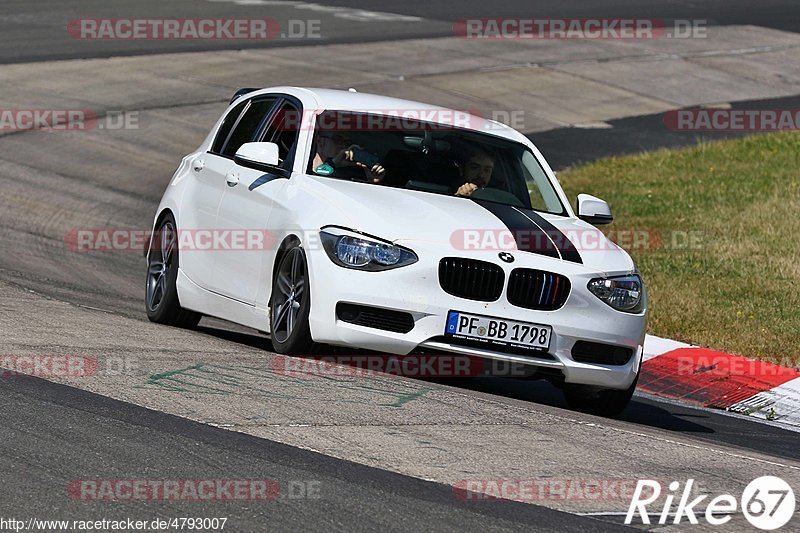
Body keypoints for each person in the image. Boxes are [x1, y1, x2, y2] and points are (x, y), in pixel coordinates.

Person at [312, 132, 385, 182]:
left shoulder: (351, 173)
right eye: (338, 140)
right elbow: (317, 179)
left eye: (347, 143)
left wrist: (371, 181)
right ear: (319, 140)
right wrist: (334, 162)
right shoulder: (302, 163)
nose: (343, 146)